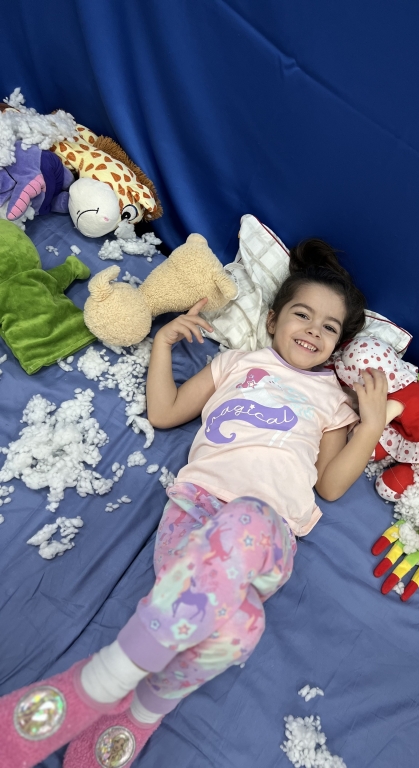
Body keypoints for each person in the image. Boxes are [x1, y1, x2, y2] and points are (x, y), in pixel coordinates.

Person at [0, 239, 391, 768]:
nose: (313, 331)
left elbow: (331, 485)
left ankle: (101, 681)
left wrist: (370, 425)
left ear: (337, 345)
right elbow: (165, 412)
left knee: (250, 516)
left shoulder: (330, 399)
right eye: (302, 314)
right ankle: (142, 712)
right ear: (272, 319)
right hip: (196, 511)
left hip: (268, 533)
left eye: (329, 327)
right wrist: (163, 344)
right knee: (239, 628)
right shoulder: (236, 363)